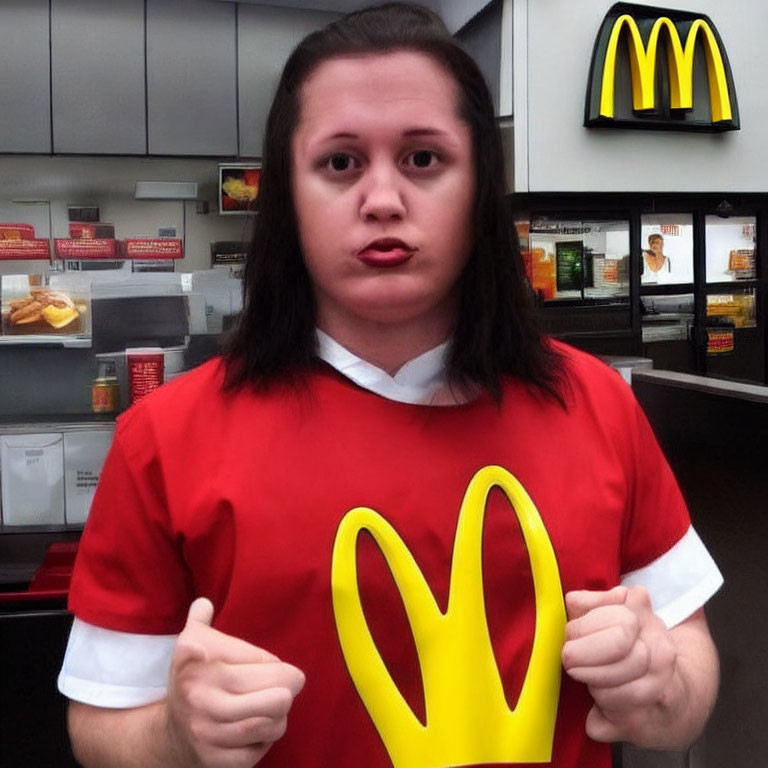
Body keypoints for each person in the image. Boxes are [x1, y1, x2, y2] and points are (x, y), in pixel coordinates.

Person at [58, 4, 722, 768]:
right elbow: (101, 725)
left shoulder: (595, 402)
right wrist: (174, 734)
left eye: (423, 160)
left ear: (479, 186)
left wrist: (660, 684)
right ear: (289, 197)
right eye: (340, 162)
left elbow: (692, 669)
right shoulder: (167, 438)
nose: (381, 199)